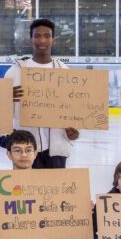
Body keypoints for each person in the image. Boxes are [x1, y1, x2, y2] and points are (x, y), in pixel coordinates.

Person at [6, 19, 80, 169]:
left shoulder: (64, 72)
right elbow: (0, 111)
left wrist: (75, 131)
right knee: (27, 190)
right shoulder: (15, 71)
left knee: (55, 190)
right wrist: (6, 98)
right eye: (37, 36)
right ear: (31, 39)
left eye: (47, 36)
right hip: (25, 149)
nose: (42, 40)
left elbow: (75, 109)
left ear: (54, 40)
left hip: (57, 148)